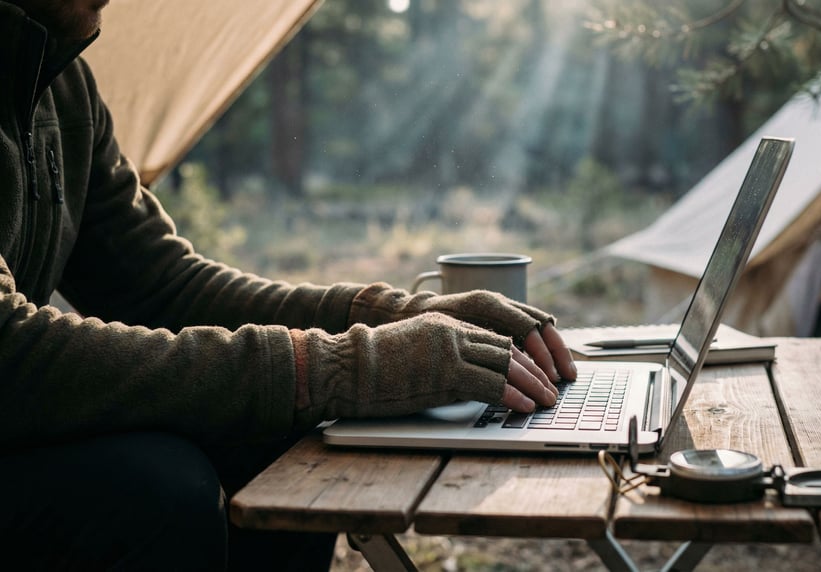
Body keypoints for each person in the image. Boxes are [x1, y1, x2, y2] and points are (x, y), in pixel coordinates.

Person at [0, 0, 577, 569]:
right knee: (154, 490)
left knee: (272, 440)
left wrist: (386, 315)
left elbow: (162, 285)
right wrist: (334, 369)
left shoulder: (61, 79)